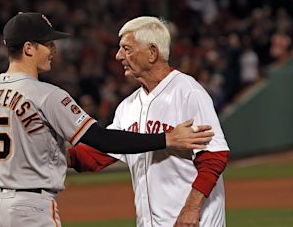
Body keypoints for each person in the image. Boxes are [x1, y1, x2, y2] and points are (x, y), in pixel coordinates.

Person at [0, 12, 214, 227]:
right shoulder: (48, 96)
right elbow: (101, 139)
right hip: (30, 208)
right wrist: (166, 138)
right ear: (28, 48)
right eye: (48, 43)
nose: (54, 50)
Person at [68, 16, 229, 227]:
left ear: (152, 52)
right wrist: (52, 155)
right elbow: (97, 155)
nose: (118, 56)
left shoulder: (187, 92)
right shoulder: (128, 106)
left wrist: (191, 209)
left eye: (126, 49)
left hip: (194, 221)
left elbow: (214, 157)